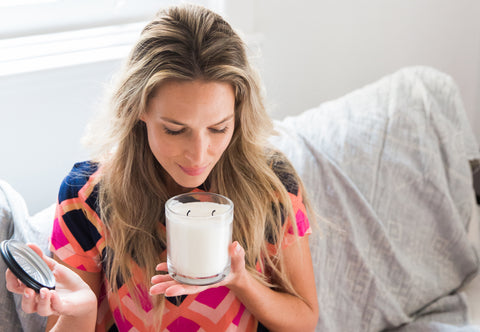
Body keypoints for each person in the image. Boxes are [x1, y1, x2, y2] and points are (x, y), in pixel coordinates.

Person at [5, 4, 319, 331]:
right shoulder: (87, 197)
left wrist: (241, 281)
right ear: (138, 108)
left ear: (238, 114)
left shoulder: (270, 185)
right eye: (174, 129)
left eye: (218, 128)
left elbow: (305, 319)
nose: (199, 155)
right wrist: (81, 312)